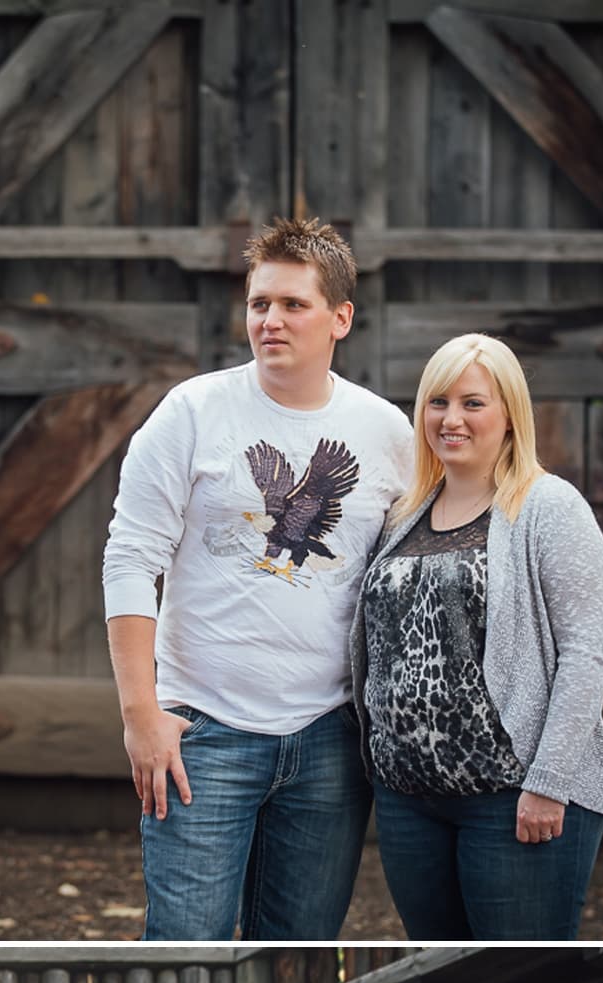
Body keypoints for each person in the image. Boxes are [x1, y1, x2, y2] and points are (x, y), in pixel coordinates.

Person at [103, 215, 415, 939]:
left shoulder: (388, 434)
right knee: (185, 955)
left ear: (340, 318)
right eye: (259, 304)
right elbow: (130, 558)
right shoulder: (191, 412)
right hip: (203, 735)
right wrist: (140, 717)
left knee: (298, 960)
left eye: (292, 305)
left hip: (330, 742)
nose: (270, 320)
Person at [352, 333, 603, 940]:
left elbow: (588, 655)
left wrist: (548, 783)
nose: (451, 419)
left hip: (512, 797)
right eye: (438, 402)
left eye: (473, 403)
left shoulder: (549, 507)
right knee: (440, 980)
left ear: (509, 415)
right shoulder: (403, 515)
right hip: (407, 800)